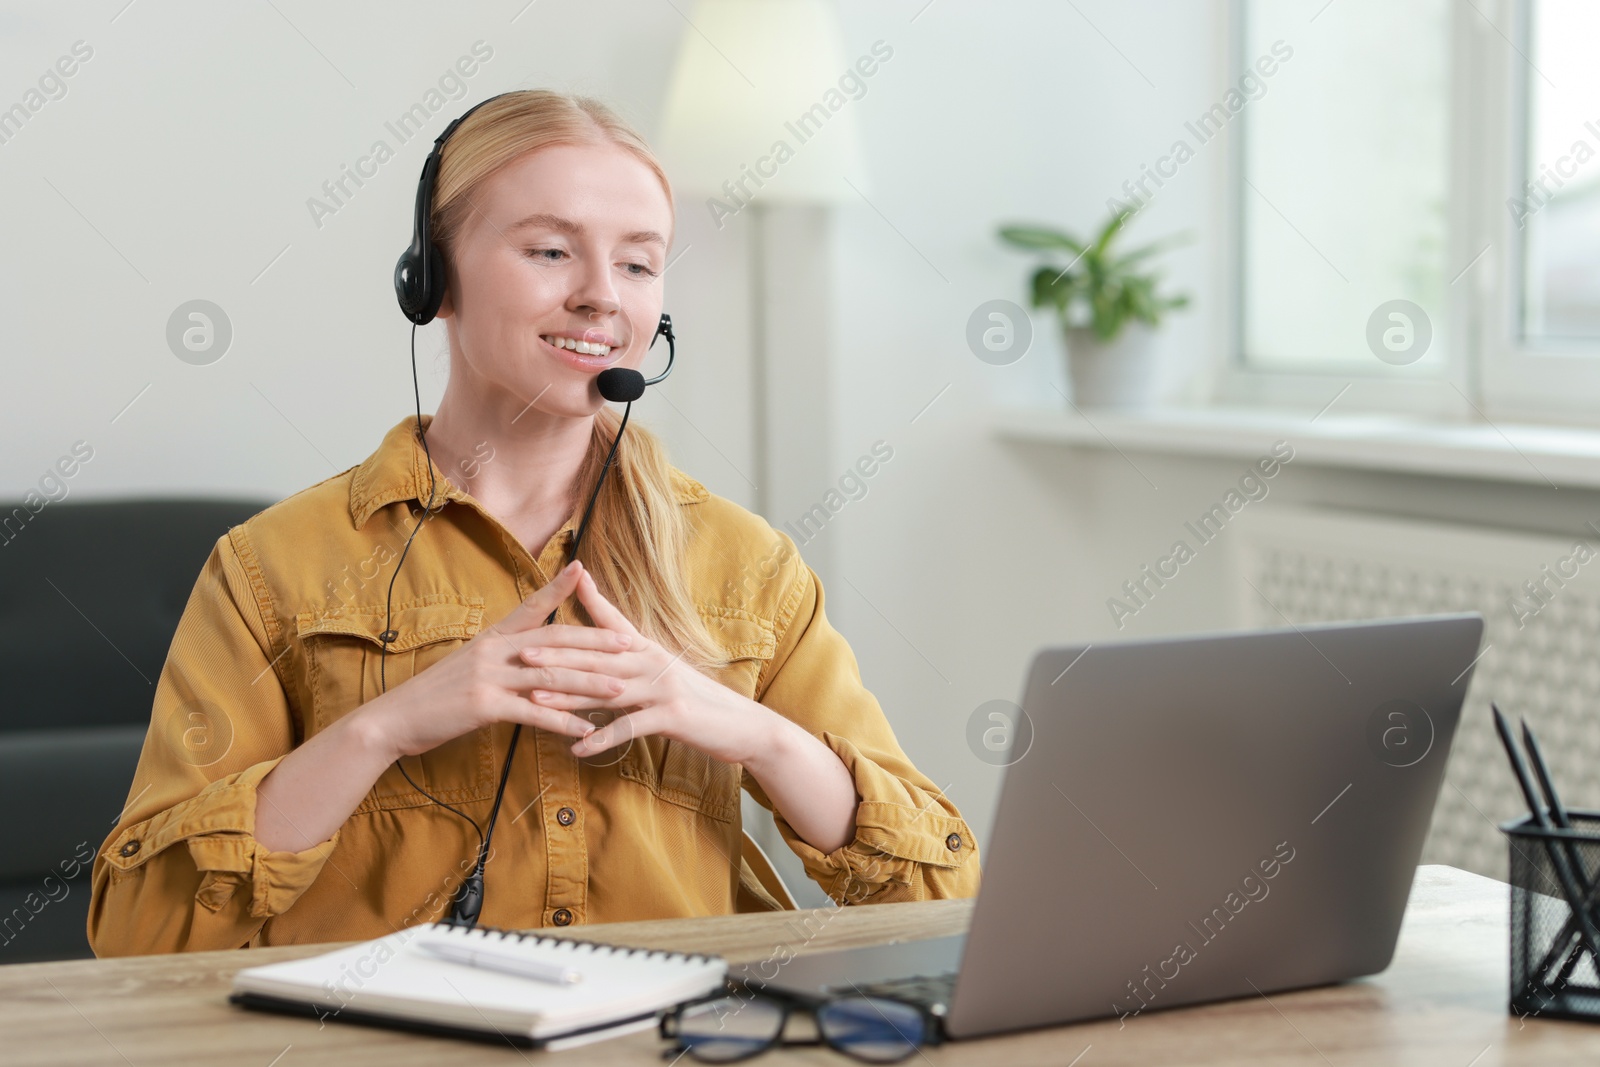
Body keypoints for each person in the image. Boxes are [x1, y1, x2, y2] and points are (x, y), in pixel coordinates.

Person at [88, 90, 978, 956]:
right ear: (434, 279)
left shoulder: (746, 565)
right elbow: (140, 931)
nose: (603, 297)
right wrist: (383, 728)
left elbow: (942, 893)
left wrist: (754, 731)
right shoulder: (270, 567)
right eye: (551, 251)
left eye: (637, 263)